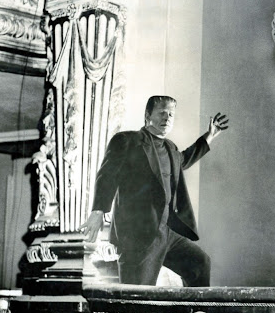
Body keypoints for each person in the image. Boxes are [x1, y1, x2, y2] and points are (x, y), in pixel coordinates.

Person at [80, 95, 229, 286]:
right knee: (137, 294)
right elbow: (107, 175)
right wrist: (98, 211)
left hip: (167, 233)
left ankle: (193, 306)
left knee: (199, 264)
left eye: (171, 115)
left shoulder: (170, 147)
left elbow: (183, 160)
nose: (167, 118)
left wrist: (209, 136)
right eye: (162, 113)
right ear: (147, 115)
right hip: (139, 236)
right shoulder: (126, 140)